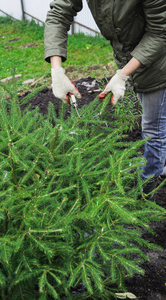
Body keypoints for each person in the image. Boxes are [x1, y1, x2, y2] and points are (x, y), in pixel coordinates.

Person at [44, 0, 166, 194]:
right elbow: (59, 13)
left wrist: (123, 74)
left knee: (153, 126)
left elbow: (160, 32)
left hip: (159, 62)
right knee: (158, 118)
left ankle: (148, 185)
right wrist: (56, 71)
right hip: (131, 58)